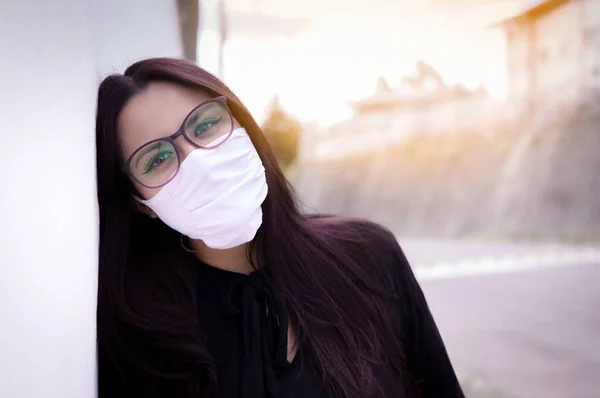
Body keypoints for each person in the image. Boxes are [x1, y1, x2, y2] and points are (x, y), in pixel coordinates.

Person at [96, 57, 464, 398]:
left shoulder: (369, 255)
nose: (199, 161)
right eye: (158, 158)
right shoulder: (143, 333)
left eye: (206, 125)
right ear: (140, 204)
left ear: (243, 126)